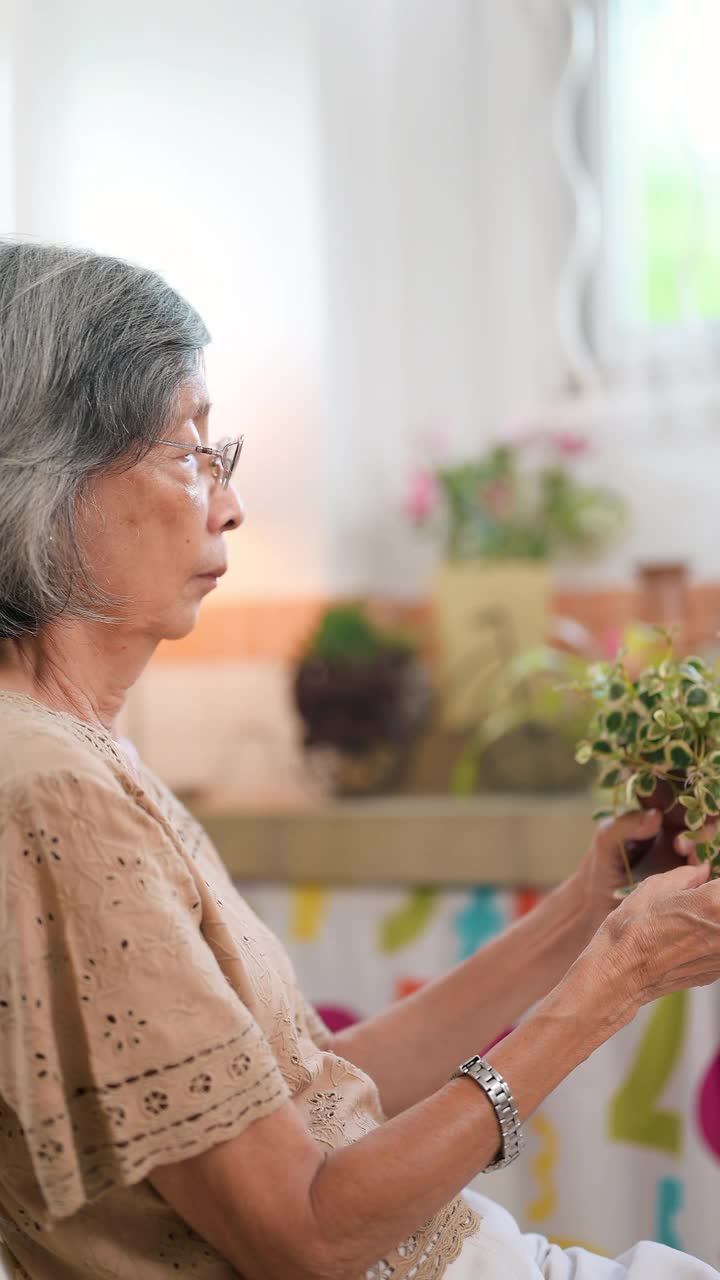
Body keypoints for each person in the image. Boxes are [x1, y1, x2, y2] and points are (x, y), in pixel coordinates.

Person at [0, 240, 718, 1280]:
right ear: (48, 476)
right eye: (185, 448)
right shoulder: (51, 792)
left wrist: (588, 914)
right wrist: (623, 978)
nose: (229, 502)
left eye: (220, 452)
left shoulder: (73, 756)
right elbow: (309, 1230)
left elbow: (318, 1096)